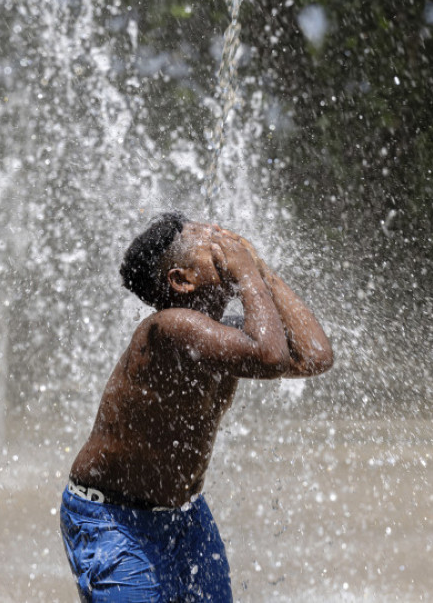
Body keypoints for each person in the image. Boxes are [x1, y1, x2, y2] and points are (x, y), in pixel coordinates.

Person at [60, 212, 333, 602]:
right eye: (210, 240)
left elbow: (316, 356)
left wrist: (263, 270)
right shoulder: (168, 329)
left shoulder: (226, 337)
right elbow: (270, 356)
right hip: (113, 520)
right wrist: (247, 275)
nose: (224, 238)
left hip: (184, 517)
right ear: (182, 279)